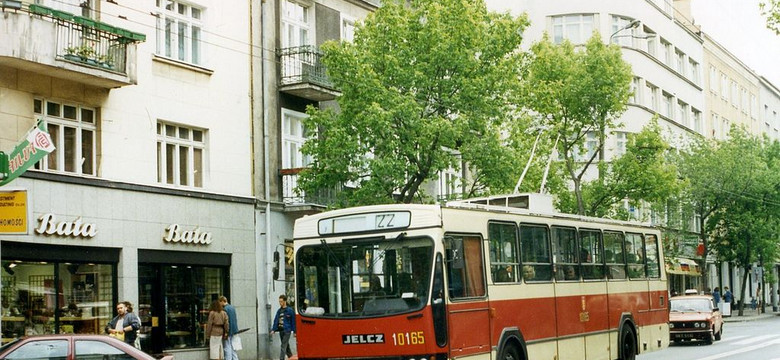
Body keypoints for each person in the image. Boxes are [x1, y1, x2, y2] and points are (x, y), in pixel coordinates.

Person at [270, 295, 295, 360]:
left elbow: (293, 321)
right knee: (286, 346)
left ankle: (281, 358)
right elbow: (276, 320)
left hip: (287, 330)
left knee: (283, 345)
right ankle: (290, 356)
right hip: (281, 330)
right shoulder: (279, 311)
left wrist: (295, 331)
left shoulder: (290, 310)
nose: (280, 303)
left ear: (285, 301)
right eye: (279, 301)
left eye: (281, 301)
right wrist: (273, 329)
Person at [220, 296, 239, 360]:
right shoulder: (232, 308)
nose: (220, 304)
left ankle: (228, 359)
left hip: (228, 330)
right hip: (234, 330)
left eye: (220, 302)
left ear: (222, 301)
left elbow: (226, 322)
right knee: (233, 347)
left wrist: (226, 331)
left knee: (227, 347)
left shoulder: (225, 309)